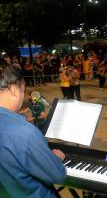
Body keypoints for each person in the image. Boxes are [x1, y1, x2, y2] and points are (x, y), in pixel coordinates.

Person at [0, 62, 66, 197]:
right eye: (23, 90)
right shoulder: (25, 133)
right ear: (13, 89)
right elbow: (57, 176)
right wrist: (56, 158)